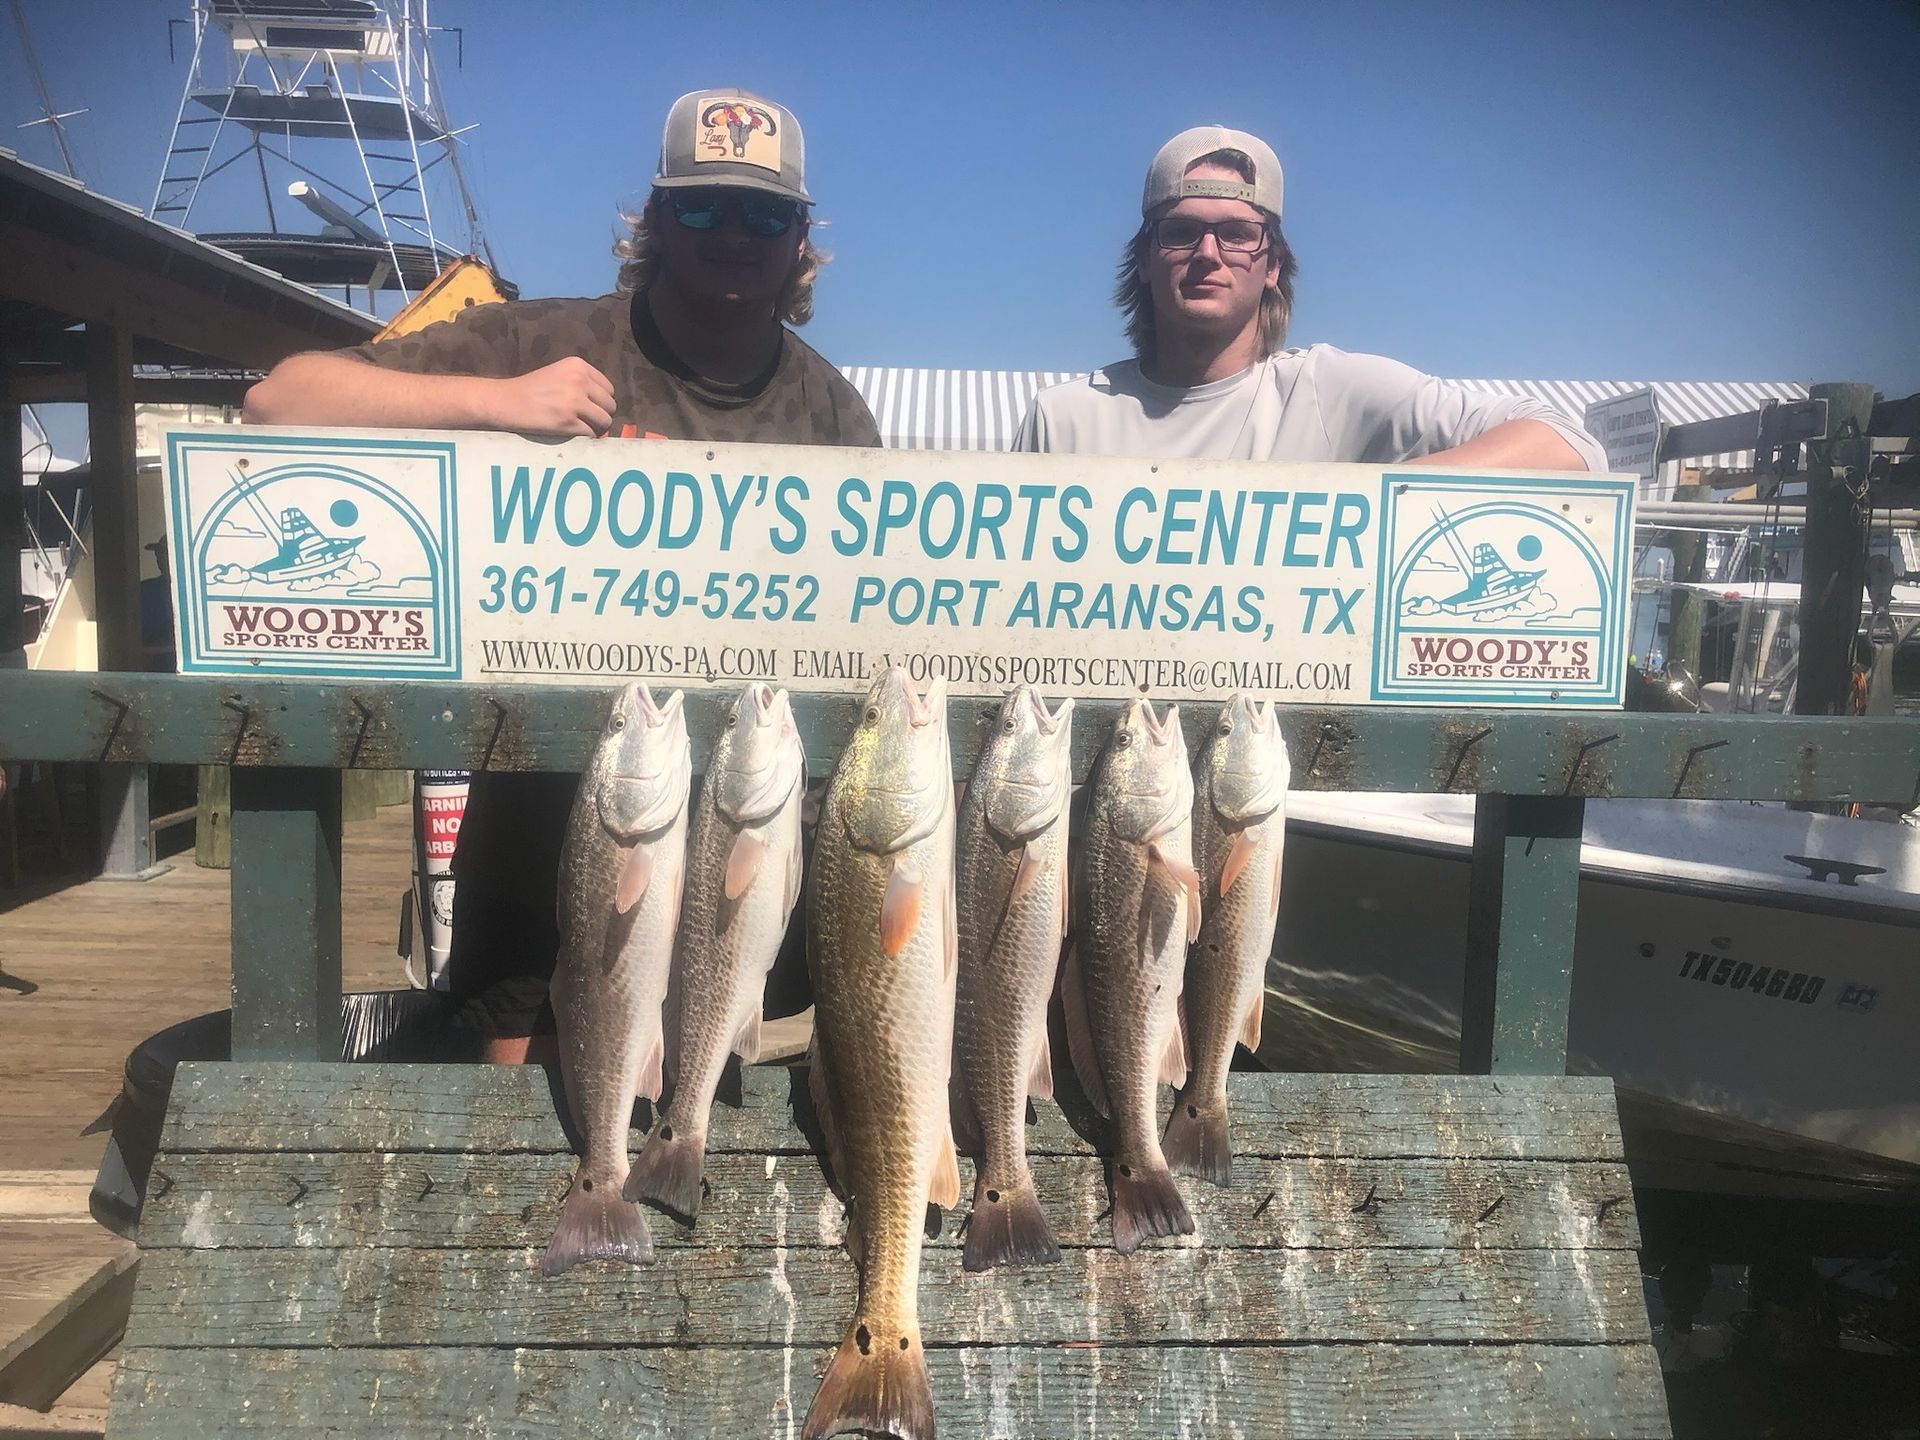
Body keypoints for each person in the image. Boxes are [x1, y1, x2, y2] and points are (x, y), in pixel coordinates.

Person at [245, 88, 881, 1062]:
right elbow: (282, 401)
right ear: (656, 220)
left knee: (705, 1117)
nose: (733, 233)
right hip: (550, 842)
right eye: (703, 206)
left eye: (765, 213)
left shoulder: (833, 414)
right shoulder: (545, 343)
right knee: (533, 1151)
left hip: (739, 852)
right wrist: (495, 404)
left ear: (801, 239)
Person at [1014, 125, 1606, 472]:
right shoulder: (1063, 419)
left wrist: (1384, 497)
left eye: (1240, 234)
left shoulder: (1331, 391)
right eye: (1180, 231)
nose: (1208, 254)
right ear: (1143, 259)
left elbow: (1570, 443)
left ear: (1273, 264)